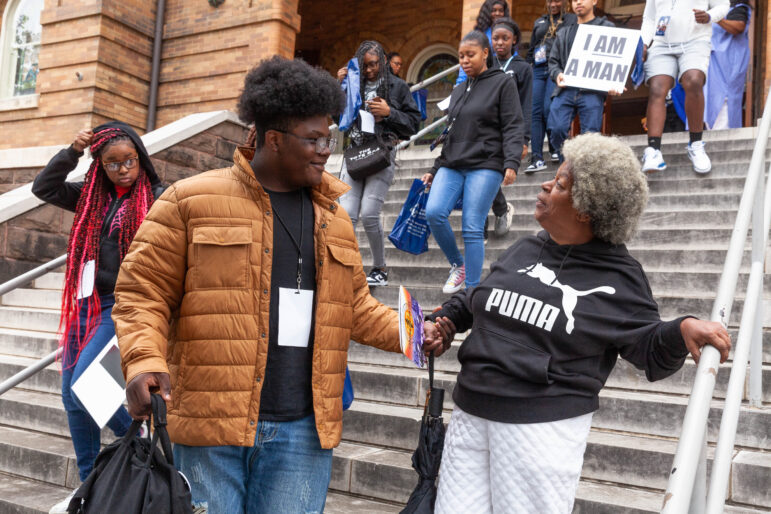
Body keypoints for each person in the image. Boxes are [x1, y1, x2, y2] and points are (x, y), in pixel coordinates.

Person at [112, 57, 411, 514]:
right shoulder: (189, 200)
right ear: (273, 138)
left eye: (328, 137)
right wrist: (143, 360)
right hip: (211, 426)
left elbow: (357, 309)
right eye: (313, 139)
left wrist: (415, 333)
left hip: (303, 432)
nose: (324, 150)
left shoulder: (336, 219)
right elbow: (142, 292)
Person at [422, 133, 732, 513]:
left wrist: (681, 328)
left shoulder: (620, 276)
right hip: (470, 414)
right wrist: (446, 321)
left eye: (561, 185)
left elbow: (647, 344)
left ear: (586, 209)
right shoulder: (527, 247)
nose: (546, 185)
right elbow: (477, 298)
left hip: (539, 431)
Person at [31, 122, 165, 513]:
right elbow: (44, 187)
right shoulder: (91, 197)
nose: (124, 169)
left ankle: (139, 443)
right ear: (100, 167)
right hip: (85, 304)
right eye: (113, 163)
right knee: (71, 396)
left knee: (86, 387)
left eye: (130, 161)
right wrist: (72, 150)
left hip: (122, 305)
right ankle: (90, 482)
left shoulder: (157, 197)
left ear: (140, 158)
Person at [422, 30, 524, 294]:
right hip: (453, 162)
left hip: (486, 163)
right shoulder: (457, 90)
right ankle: (459, 265)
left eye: (470, 55)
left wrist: (511, 161)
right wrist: (435, 170)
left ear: (485, 53)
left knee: (472, 225)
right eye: (461, 56)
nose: (465, 60)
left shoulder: (503, 82)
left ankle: (471, 293)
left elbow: (513, 125)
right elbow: (451, 132)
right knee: (433, 212)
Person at [336, 41, 421, 287]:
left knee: (370, 214)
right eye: (365, 66)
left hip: (382, 154)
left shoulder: (398, 86)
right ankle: (349, 267)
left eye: (374, 64)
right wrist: (338, 86)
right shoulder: (353, 84)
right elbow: (336, 116)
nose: (370, 70)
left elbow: (414, 124)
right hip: (355, 154)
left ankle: (379, 268)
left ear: (383, 61)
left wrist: (389, 113)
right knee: (347, 215)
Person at [640, 0, 730, 173]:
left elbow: (723, 5)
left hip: (695, 41)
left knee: (694, 80)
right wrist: (644, 43)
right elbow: (650, 18)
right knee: (657, 88)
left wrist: (710, 16)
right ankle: (653, 151)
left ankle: (696, 144)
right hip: (661, 44)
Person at [547, 0, 619, 163]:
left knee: (591, 138)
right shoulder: (564, 32)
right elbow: (553, 61)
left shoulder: (606, 28)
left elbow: (615, 59)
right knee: (556, 129)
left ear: (594, 1)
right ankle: (566, 166)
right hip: (566, 90)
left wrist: (614, 82)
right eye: (573, 0)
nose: (578, 2)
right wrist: (557, 73)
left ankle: (582, 172)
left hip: (592, 92)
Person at [488, 17, 533, 236]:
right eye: (495, 38)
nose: (499, 43)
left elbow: (526, 105)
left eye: (505, 38)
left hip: (509, 131)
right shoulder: (486, 65)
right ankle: (494, 215)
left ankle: (500, 208)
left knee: (491, 174)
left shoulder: (522, 68)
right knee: (483, 172)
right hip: (485, 130)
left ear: (514, 40)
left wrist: (524, 139)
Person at [525, 0, 576, 172]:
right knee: (535, 111)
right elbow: (532, 48)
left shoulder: (571, 19)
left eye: (557, 0)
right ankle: (537, 157)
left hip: (558, 68)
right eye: (550, 1)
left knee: (549, 108)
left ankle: (555, 148)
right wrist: (528, 68)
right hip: (538, 70)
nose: (553, 4)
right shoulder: (540, 21)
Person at [705, 0, 751, 130]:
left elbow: (738, 27)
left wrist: (715, 17)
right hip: (712, 66)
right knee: (710, 101)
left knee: (725, 101)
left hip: (729, 65)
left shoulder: (737, 8)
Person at [455, 0, 510, 86]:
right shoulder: (479, 32)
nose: (497, 13)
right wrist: (460, 83)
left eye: (501, 10)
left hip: (503, 76)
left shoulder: (508, 31)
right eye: (494, 10)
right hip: (481, 78)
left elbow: (513, 54)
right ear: (487, 12)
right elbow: (467, 58)